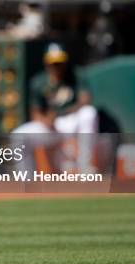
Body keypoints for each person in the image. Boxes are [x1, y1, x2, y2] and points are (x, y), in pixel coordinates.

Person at [13, 43, 98, 173]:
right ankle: (26, 182)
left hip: (71, 120)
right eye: (53, 63)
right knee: (18, 136)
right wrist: (46, 121)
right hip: (52, 127)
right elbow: (35, 113)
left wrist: (60, 112)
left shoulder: (75, 75)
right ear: (46, 63)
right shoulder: (38, 82)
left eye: (59, 62)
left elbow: (85, 100)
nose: (56, 66)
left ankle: (85, 167)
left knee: (89, 113)